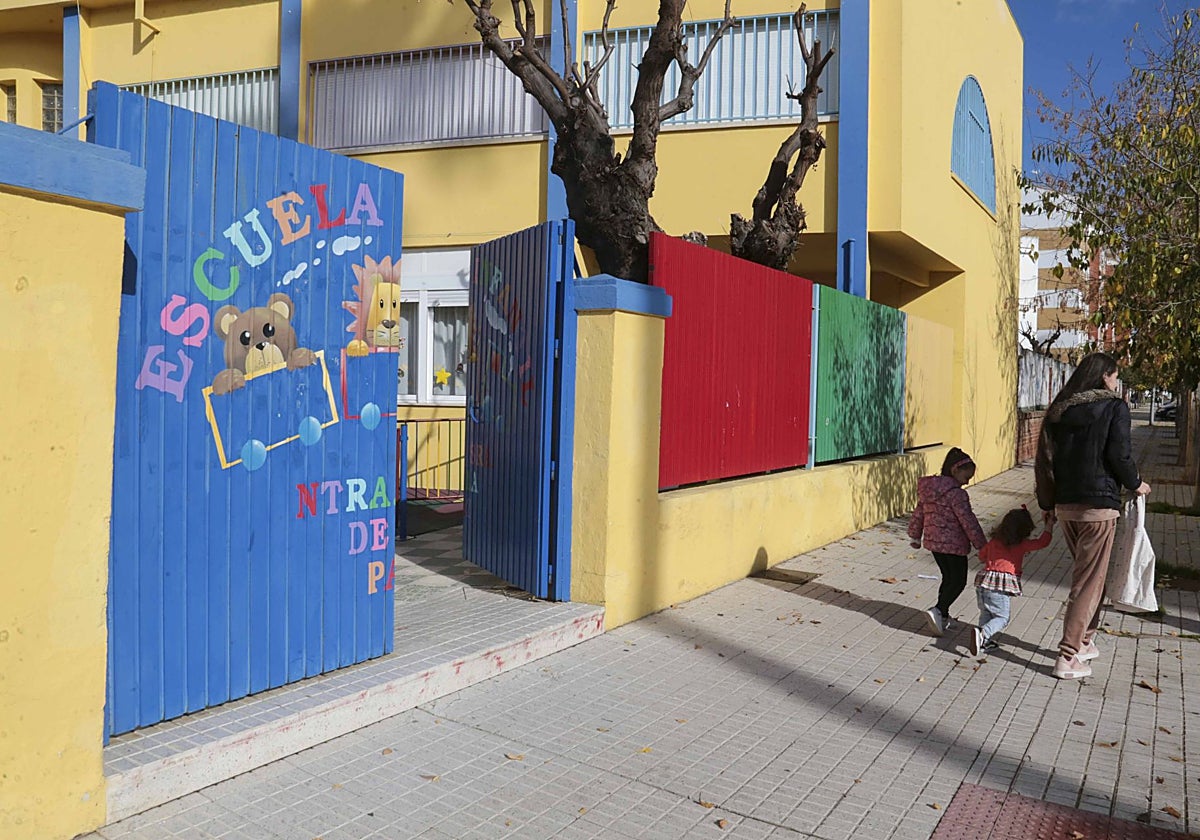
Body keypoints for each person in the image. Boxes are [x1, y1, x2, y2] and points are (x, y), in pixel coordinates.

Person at [1035, 351, 1151, 680]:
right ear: (1104, 376)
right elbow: (1119, 454)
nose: (1117, 381)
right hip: (1098, 507)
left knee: (1092, 578)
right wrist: (1136, 483)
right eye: (1115, 375)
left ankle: (1085, 641)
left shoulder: (1060, 410)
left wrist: (1047, 505)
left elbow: (1044, 461)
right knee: (1087, 583)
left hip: (1066, 507)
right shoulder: (1115, 407)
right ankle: (1068, 656)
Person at [908, 447, 987, 637]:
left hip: (934, 545)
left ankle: (942, 616)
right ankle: (938, 609)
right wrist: (982, 546)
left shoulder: (928, 490)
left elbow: (919, 514)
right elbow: (968, 521)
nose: (967, 481)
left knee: (948, 578)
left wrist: (915, 536)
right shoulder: (957, 494)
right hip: (954, 546)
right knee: (958, 581)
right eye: (966, 477)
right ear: (955, 470)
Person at [970, 506, 1052, 657]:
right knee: (1002, 617)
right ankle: (983, 633)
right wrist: (1049, 525)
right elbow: (1043, 542)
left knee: (986, 612)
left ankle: (982, 642)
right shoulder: (1021, 544)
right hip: (998, 587)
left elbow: (981, 556)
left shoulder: (994, 541)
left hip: (983, 582)